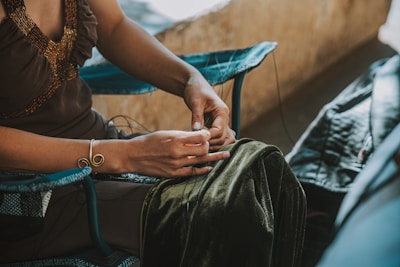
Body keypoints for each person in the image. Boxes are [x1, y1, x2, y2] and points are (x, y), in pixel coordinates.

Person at [0, 0, 306, 266]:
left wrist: (190, 81)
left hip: (102, 147)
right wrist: (127, 156)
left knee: (263, 174)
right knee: (226, 217)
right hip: (29, 193)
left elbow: (115, 27)